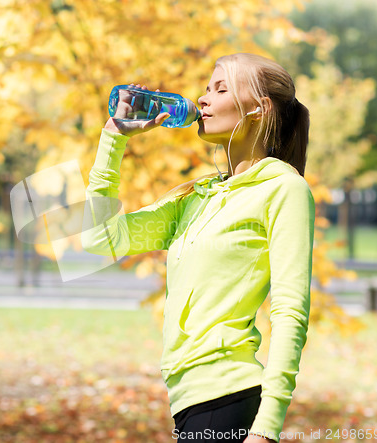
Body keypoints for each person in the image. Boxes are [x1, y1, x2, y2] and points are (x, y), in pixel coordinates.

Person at [82, 53, 315, 443]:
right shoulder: (198, 196)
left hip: (229, 398)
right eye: (206, 89)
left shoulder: (283, 189)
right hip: (188, 403)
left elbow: (291, 311)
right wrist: (113, 139)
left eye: (221, 89)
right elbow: (100, 240)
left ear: (260, 109)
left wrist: (266, 428)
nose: (203, 99)